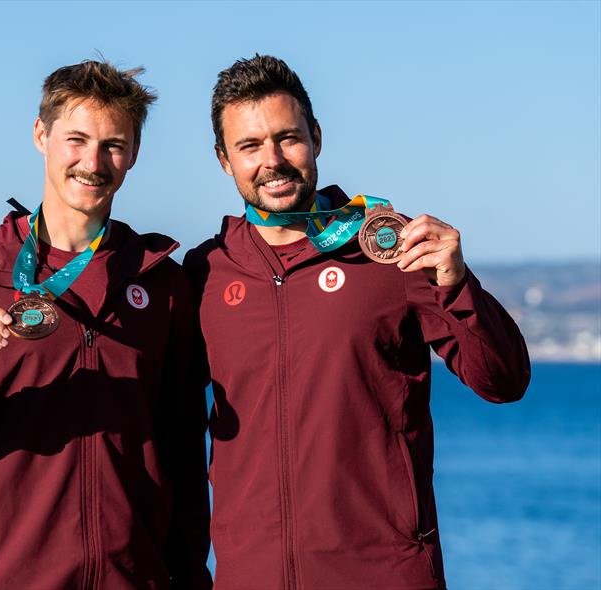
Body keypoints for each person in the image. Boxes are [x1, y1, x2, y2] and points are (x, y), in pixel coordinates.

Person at [183, 55, 530, 590]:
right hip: (250, 576)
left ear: (316, 137)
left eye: (288, 138)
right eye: (250, 146)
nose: (272, 161)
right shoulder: (205, 272)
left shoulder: (389, 250)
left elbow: (503, 380)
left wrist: (456, 283)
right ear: (224, 160)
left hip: (382, 574)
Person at [0, 60, 212, 590]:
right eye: (76, 139)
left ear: (135, 154)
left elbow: (185, 455)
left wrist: (190, 576)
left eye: (113, 145)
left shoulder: (162, 282)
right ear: (40, 135)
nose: (93, 162)